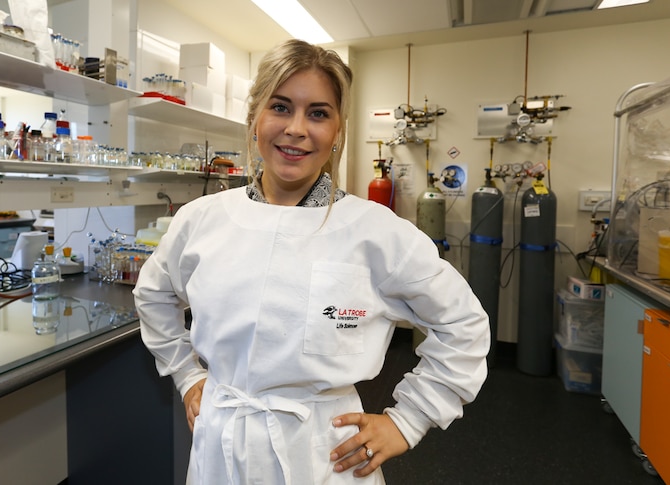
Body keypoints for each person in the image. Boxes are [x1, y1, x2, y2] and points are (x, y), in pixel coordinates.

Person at [133, 38, 490, 484]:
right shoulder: (203, 220)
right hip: (221, 448)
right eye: (280, 107)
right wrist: (187, 375)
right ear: (254, 118)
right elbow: (153, 295)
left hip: (326, 457)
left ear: (338, 130)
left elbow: (464, 326)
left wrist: (409, 419)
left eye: (318, 113)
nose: (297, 128)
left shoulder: (374, 232)